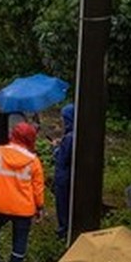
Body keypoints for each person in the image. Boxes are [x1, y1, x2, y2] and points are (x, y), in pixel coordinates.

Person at [0, 121, 45, 262]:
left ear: (13, 135)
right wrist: (39, 207)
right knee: (19, 242)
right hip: (23, 209)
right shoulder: (34, 161)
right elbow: (37, 189)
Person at [52, 103, 75, 240]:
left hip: (64, 177)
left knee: (62, 205)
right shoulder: (74, 134)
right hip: (69, 176)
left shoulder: (70, 137)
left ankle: (64, 231)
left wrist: (55, 149)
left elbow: (62, 157)